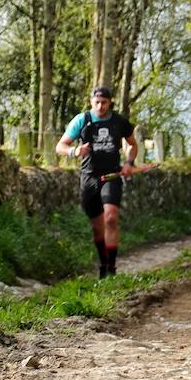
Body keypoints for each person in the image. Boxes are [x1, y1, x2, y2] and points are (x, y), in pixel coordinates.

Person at [55, 86, 138, 278]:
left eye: (104, 103)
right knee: (97, 226)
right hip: (89, 177)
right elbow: (60, 146)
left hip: (112, 175)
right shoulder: (82, 120)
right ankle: (103, 264)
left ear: (110, 103)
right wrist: (74, 151)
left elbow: (133, 144)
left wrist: (128, 162)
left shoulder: (119, 121)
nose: (100, 106)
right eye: (97, 102)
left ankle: (112, 267)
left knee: (110, 218)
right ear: (91, 102)